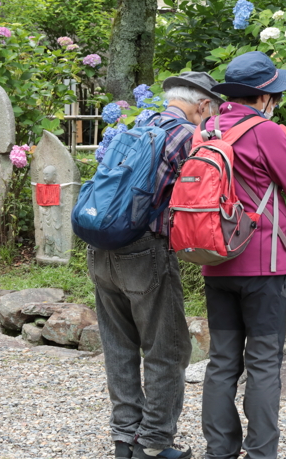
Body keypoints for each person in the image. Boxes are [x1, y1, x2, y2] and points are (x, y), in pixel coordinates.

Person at [90, 72, 223, 459]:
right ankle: (153, 443)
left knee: (119, 346)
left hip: (100, 244)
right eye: (209, 110)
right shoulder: (186, 134)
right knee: (168, 348)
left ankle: (124, 438)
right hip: (145, 249)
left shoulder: (134, 125)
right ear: (202, 105)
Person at [201, 51, 286, 459]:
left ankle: (219, 451)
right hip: (264, 265)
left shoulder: (206, 128)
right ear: (263, 96)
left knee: (221, 362)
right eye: (276, 95)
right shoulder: (265, 131)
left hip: (215, 260)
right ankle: (261, 453)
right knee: (264, 363)